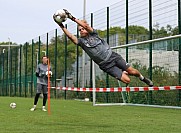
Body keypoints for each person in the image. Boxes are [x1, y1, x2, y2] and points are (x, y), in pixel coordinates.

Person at [53, 9, 153, 87]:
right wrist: (61, 25)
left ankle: (142, 78)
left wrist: (72, 18)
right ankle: (123, 72)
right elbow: (71, 37)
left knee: (133, 72)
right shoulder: (81, 42)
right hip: (106, 65)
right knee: (127, 80)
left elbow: (86, 26)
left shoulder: (94, 34)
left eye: (83, 28)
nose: (82, 30)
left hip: (113, 56)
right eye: (80, 30)